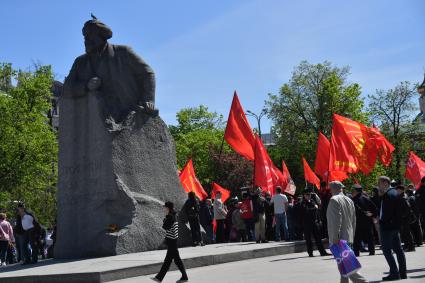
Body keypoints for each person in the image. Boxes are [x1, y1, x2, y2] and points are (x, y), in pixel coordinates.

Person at [327, 181, 368, 283]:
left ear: (333, 189)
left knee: (350, 268)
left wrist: (335, 237)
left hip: (339, 239)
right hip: (348, 237)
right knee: (343, 266)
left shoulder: (334, 200)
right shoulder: (349, 200)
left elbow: (336, 220)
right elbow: (354, 220)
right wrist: (352, 236)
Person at [378, 176, 406, 281]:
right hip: (395, 226)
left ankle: (394, 273)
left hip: (387, 227)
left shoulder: (388, 195)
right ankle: (403, 273)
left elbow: (387, 213)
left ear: (385, 183)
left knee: (387, 250)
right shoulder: (395, 193)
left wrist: (381, 221)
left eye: (379, 183)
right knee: (399, 250)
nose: (378, 185)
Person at [152, 201, 188, 282]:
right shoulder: (173, 215)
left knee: (168, 261)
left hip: (172, 241)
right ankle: (184, 277)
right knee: (176, 260)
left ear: (168, 208)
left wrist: (165, 219)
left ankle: (159, 278)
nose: (163, 208)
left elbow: (165, 227)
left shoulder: (170, 217)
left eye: (165, 207)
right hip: (173, 241)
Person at [300, 187, 329, 257]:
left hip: (314, 222)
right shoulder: (303, 203)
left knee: (318, 238)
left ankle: (322, 252)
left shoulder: (312, 201)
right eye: (307, 194)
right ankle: (310, 253)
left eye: (309, 194)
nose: (309, 196)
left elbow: (317, 212)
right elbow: (306, 211)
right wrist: (314, 208)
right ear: (304, 195)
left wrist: (319, 220)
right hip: (307, 223)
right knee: (308, 239)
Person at [351, 184, 377, 256]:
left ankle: (356, 252)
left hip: (358, 222)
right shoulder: (366, 198)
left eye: (353, 190)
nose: (352, 192)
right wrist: (372, 215)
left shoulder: (353, 200)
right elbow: (374, 208)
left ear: (356, 191)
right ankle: (372, 251)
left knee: (357, 238)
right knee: (370, 237)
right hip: (367, 221)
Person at [396, 185, 416, 252]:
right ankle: (407, 246)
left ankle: (410, 247)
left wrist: (403, 216)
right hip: (404, 218)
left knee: (407, 232)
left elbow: (407, 208)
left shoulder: (403, 197)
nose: (396, 191)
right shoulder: (401, 196)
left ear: (401, 190)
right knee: (405, 233)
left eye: (397, 190)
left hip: (405, 218)